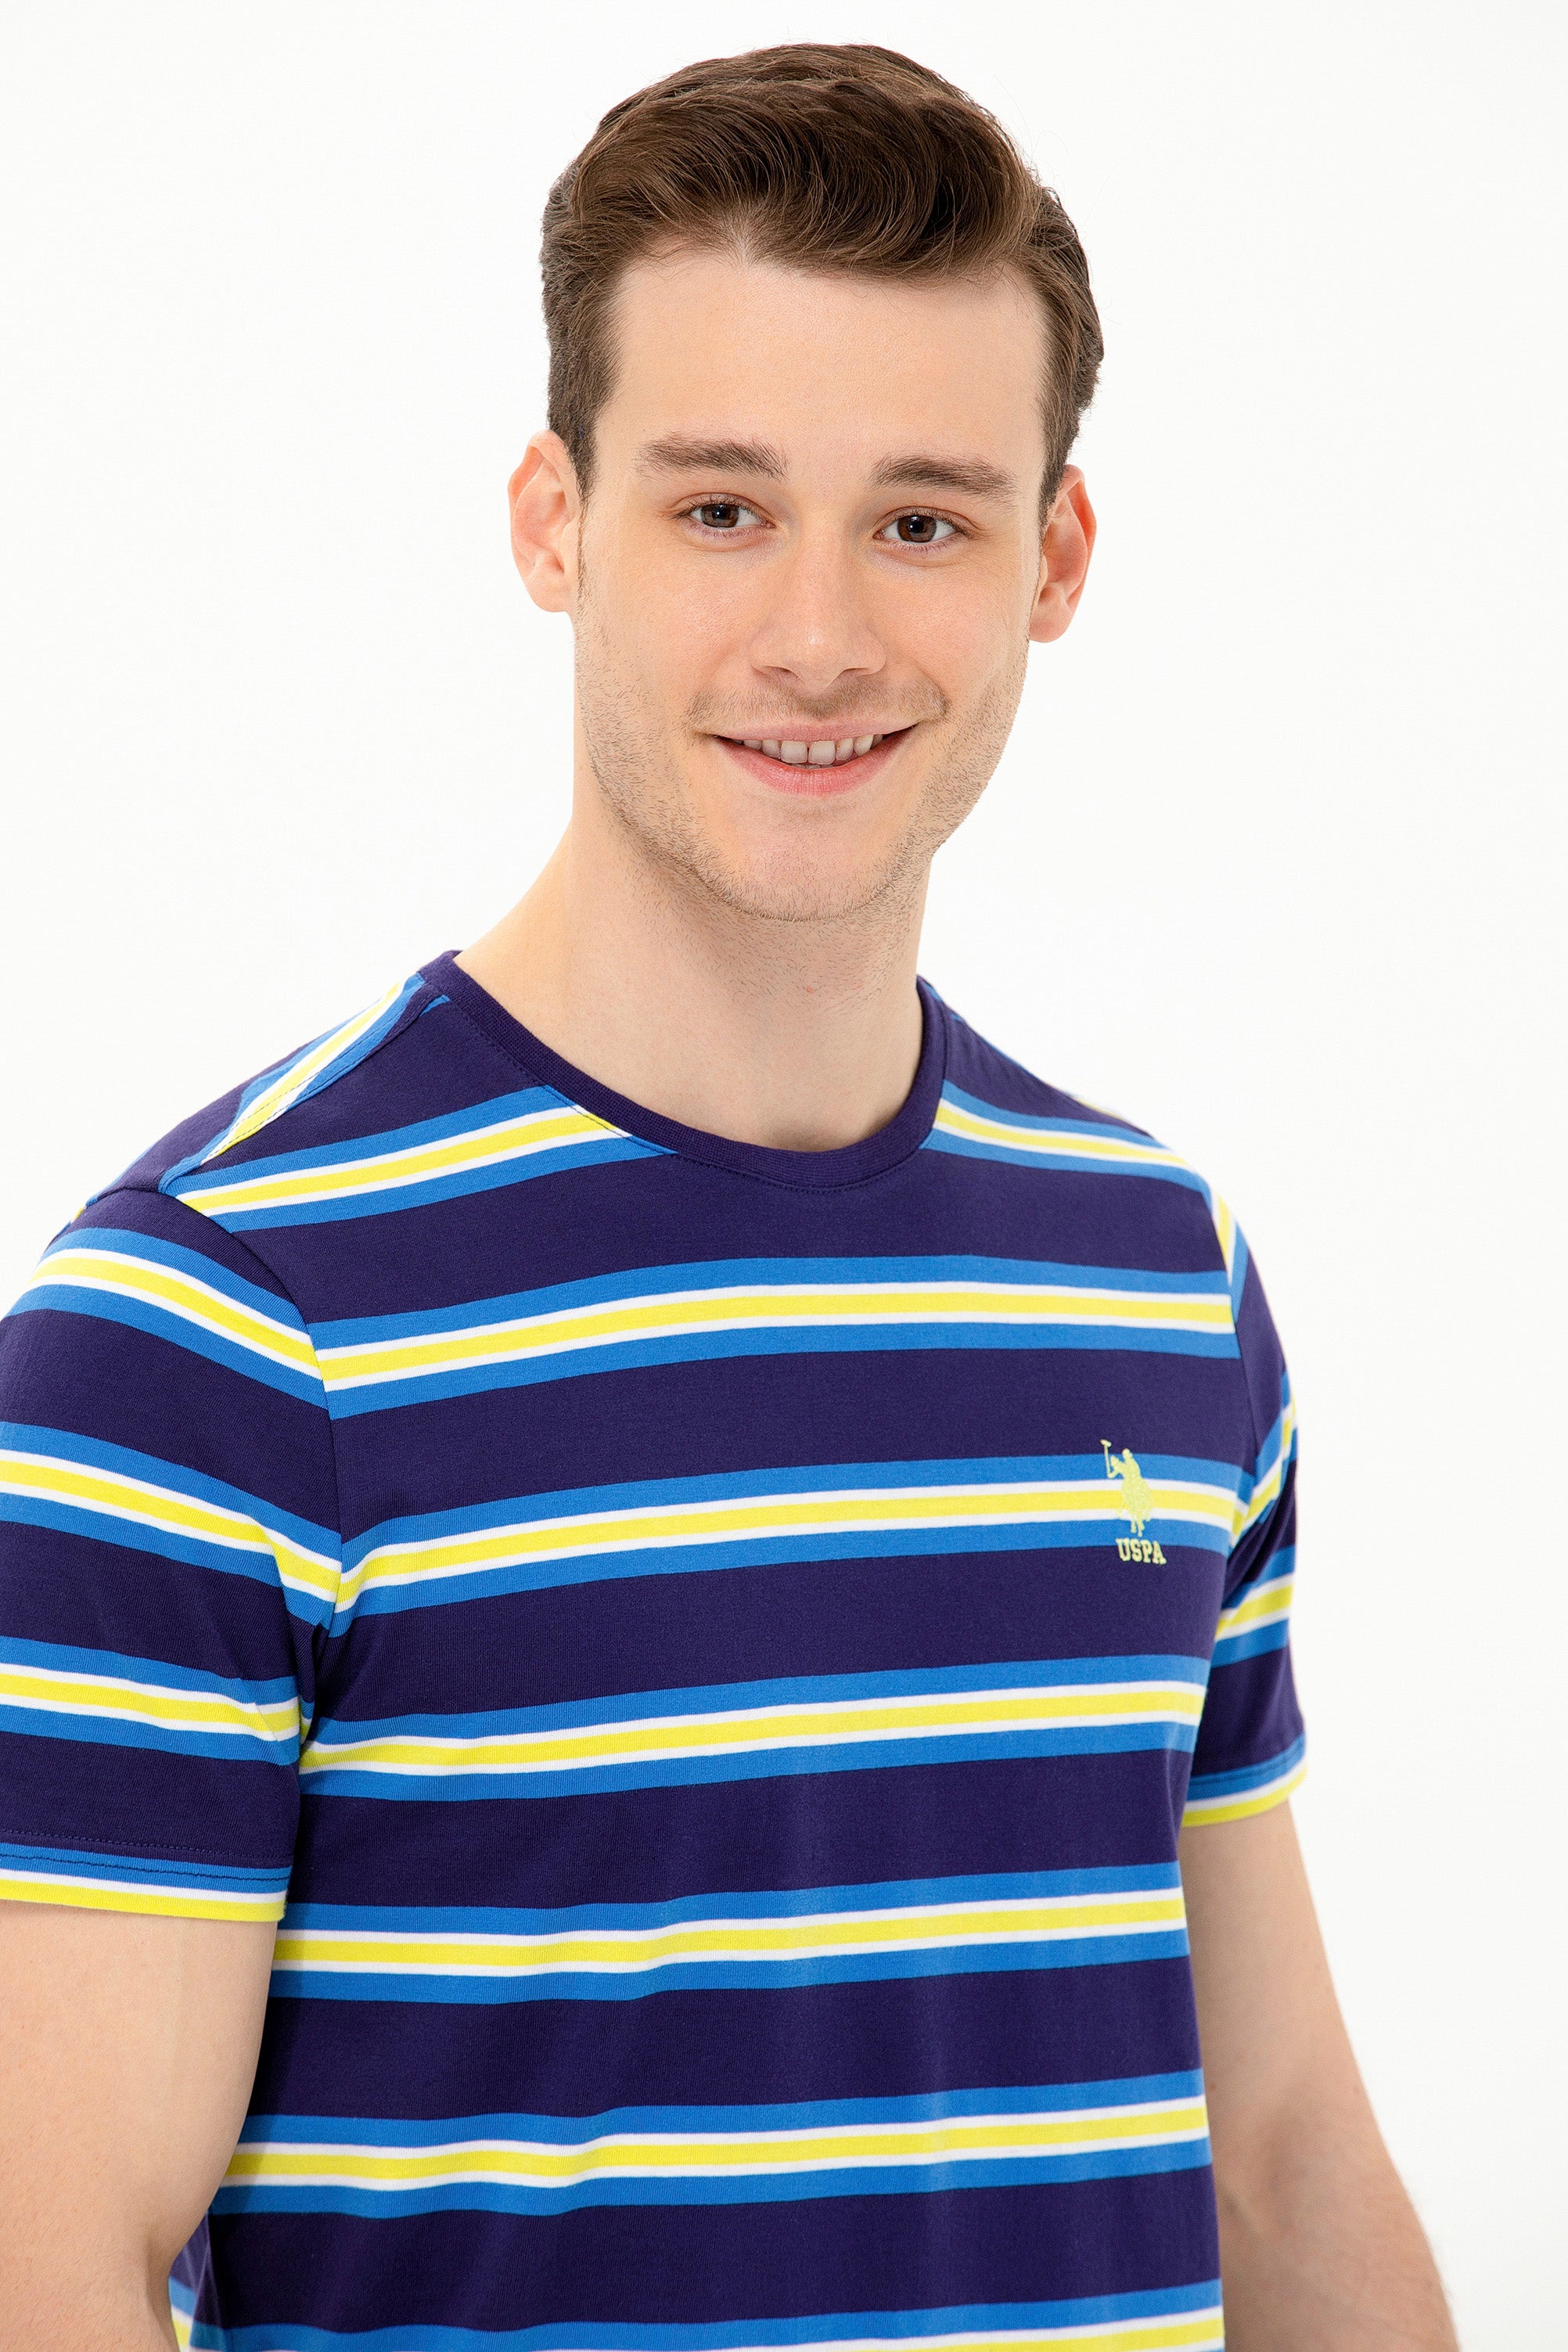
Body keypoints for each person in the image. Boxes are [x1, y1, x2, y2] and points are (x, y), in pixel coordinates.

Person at [0, 42, 1457, 2352]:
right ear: (551, 522)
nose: (817, 637)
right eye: (717, 510)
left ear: (1054, 558)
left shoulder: (1159, 1283)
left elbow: (1277, 2154)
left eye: (921, 520)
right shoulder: (210, 1331)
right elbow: (43, 2257)